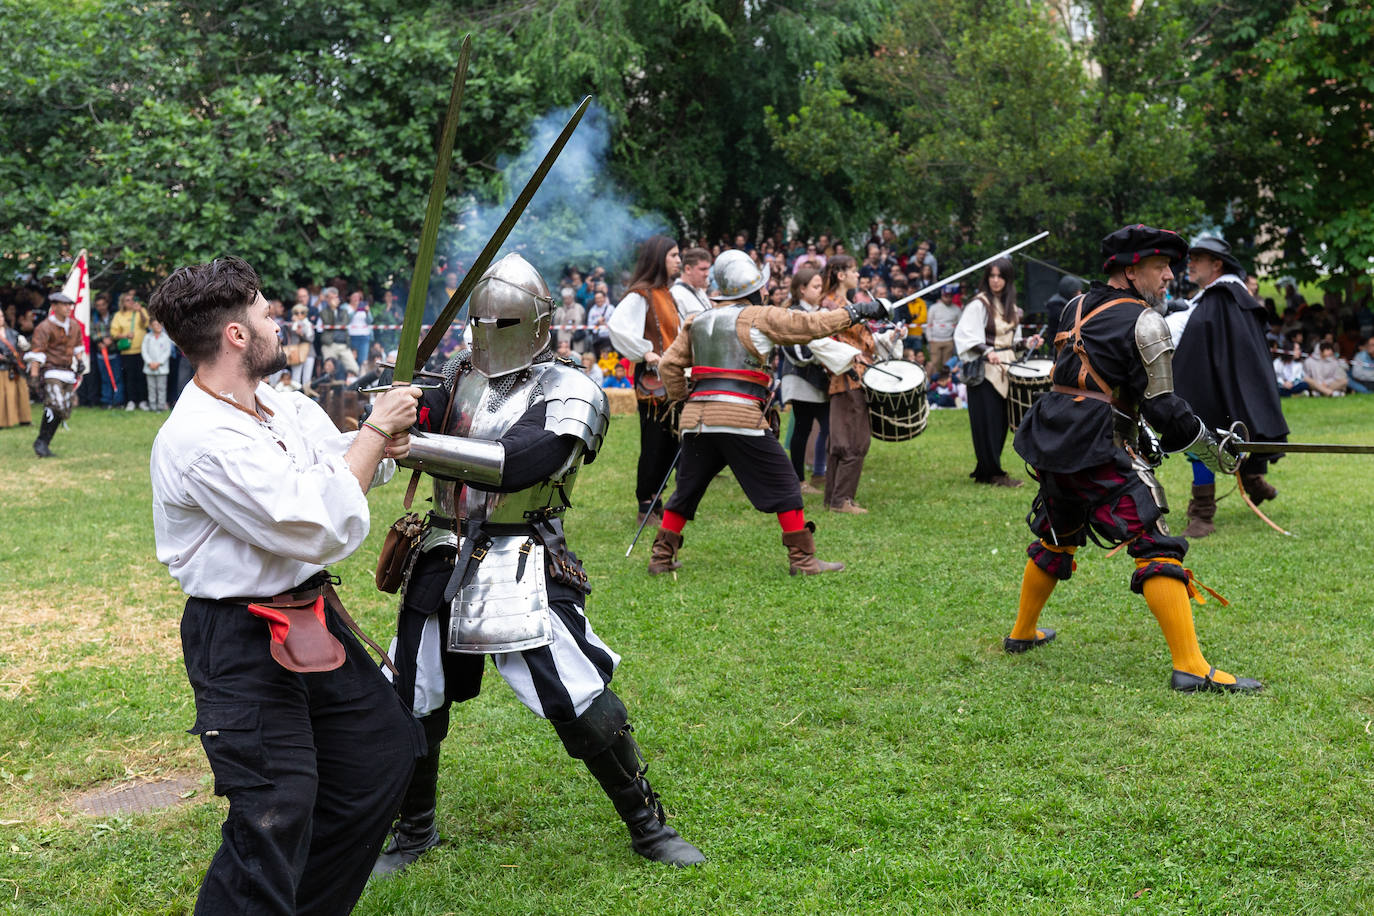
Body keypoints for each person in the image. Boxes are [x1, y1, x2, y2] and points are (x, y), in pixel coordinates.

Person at [374, 253, 704, 876]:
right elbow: (415, 411)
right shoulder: (457, 378)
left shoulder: (571, 389)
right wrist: (397, 403)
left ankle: (647, 824)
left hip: (520, 554)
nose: (488, 334)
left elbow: (517, 461)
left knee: (579, 697)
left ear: (536, 321)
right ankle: (413, 831)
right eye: (482, 322)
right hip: (440, 552)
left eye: (502, 322)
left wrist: (413, 442)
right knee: (412, 695)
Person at [146, 256, 425, 913]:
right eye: (267, 313)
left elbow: (335, 469)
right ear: (237, 336)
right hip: (238, 634)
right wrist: (377, 428)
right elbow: (318, 521)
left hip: (309, 616)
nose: (279, 322)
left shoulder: (279, 403)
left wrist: (377, 442)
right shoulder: (199, 439)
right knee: (275, 808)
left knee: (381, 753)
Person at [1004, 224, 1261, 694]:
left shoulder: (1072, 305)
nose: (1169, 276)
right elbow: (1163, 406)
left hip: (1052, 436)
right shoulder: (1145, 321)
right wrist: (1210, 445)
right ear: (1130, 270)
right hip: (1095, 446)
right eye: (1159, 266)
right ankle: (1191, 667)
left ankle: (1022, 633)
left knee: (1057, 533)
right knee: (1155, 540)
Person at [644, 250, 880, 575]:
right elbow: (812, 325)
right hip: (740, 416)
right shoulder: (759, 316)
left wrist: (685, 400)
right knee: (785, 480)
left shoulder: (696, 320)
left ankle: (661, 557)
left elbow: (669, 365)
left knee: (687, 488)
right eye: (763, 286)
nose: (766, 291)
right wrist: (856, 311)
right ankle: (803, 559)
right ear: (751, 289)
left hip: (697, 420)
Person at [1168, 235, 1289, 536]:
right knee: (1232, 425)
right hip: (1225, 381)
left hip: (1217, 383)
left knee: (1202, 434)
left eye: (1198, 259)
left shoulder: (1220, 297)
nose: (1190, 264)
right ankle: (1252, 480)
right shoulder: (1228, 296)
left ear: (1217, 264)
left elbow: (1193, 338)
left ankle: (1203, 514)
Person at [608, 235, 705, 525]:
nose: (678, 260)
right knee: (654, 442)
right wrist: (646, 352)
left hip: (672, 377)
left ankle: (659, 499)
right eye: (674, 255)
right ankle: (646, 503)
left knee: (673, 442)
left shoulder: (668, 293)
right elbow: (618, 328)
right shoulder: (642, 294)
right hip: (652, 382)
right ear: (659, 258)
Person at [820, 254, 900, 513]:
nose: (858, 275)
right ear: (841, 275)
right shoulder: (830, 307)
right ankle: (841, 500)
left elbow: (864, 343)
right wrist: (849, 356)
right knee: (853, 441)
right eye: (854, 271)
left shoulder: (846, 304)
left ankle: (836, 498)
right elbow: (825, 344)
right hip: (848, 378)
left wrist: (890, 337)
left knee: (844, 440)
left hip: (857, 378)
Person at [954, 258, 1041, 487]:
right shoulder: (978, 304)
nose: (995, 281)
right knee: (987, 423)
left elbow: (1012, 343)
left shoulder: (1012, 307)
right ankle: (991, 472)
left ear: (1007, 279)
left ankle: (987, 469)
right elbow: (965, 336)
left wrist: (1027, 342)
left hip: (1007, 369)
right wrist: (986, 351)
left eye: (1000, 276)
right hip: (985, 372)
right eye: (992, 276)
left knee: (1000, 422)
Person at [777, 267, 833, 494]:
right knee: (802, 428)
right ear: (802, 289)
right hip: (800, 379)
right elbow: (798, 354)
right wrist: (827, 351)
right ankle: (798, 480)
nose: (820, 291)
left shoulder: (819, 312)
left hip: (818, 380)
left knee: (828, 426)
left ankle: (820, 473)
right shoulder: (791, 314)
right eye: (816, 287)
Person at [25, 291, 86, 457]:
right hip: (51, 372)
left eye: (69, 305)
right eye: (64, 305)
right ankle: (41, 442)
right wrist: (34, 377)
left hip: (68, 372)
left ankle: (43, 442)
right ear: (54, 306)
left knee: (64, 409)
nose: (68, 308)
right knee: (57, 404)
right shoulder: (44, 327)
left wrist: (80, 362)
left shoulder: (74, 325)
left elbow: (77, 346)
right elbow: (37, 354)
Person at [111, 290, 150, 410]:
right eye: (128, 300)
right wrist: (125, 335)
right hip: (127, 352)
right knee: (129, 377)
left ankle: (143, 400)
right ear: (122, 302)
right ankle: (131, 401)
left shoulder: (140, 311)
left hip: (142, 351)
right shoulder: (118, 315)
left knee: (142, 376)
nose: (131, 302)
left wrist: (140, 311)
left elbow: (146, 324)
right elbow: (113, 333)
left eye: (132, 299)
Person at [0, 308, 32, 428]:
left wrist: (24, 345)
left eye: (2, 316)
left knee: (21, 392)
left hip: (14, 367)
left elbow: (24, 347)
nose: (1, 319)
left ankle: (24, 419)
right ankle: (2, 422)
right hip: (1, 368)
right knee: (2, 395)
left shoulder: (12, 333)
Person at [925, 284, 961, 371]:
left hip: (949, 340)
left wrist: (954, 339)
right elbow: (929, 324)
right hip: (935, 340)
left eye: (950, 296)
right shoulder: (934, 308)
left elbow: (959, 326)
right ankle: (933, 382)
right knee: (935, 363)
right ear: (942, 296)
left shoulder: (956, 309)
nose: (948, 299)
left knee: (947, 365)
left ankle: (946, 382)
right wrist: (929, 338)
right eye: (946, 296)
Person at [142, 317, 173, 411]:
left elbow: (167, 352)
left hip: (162, 368)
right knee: (151, 388)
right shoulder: (147, 337)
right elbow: (144, 351)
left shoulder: (166, 337)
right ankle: (152, 406)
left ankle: (161, 406)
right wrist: (150, 362)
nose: (158, 326)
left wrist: (159, 363)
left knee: (161, 388)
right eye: (155, 325)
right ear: (151, 326)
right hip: (149, 367)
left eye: (159, 324)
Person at [672, 247, 712, 315]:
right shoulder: (676, 295)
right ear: (688, 269)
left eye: (708, 269)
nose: (707, 274)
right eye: (703, 269)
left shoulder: (699, 291)